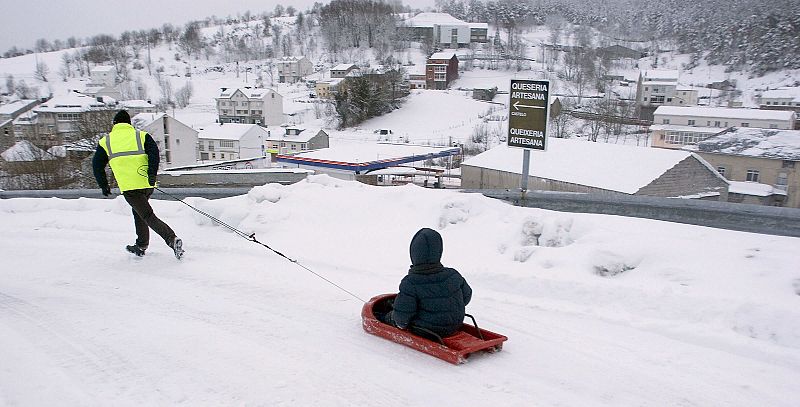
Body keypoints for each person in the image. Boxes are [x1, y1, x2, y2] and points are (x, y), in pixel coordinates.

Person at [92, 110, 184, 260]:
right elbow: (154, 154)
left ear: (115, 124)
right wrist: (152, 175)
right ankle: (141, 245)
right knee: (139, 212)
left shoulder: (106, 141)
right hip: (146, 184)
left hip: (130, 188)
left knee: (147, 215)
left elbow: (97, 166)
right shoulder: (141, 135)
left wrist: (104, 185)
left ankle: (172, 240)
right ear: (129, 123)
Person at [387, 227, 472, 338]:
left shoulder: (410, 283)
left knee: (389, 316)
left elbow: (402, 319)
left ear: (414, 254)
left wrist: (396, 320)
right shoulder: (453, 274)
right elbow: (466, 296)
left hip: (427, 330)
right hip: (455, 324)